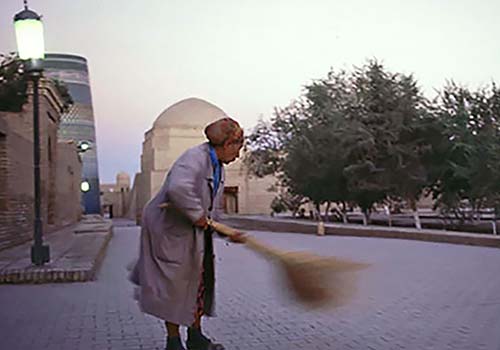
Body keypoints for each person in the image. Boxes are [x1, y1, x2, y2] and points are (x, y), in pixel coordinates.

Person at [130, 117, 246, 350]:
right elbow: (178, 188)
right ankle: (173, 342)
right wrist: (197, 215)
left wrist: (224, 231)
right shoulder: (194, 158)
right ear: (226, 144)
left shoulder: (217, 166)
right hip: (169, 232)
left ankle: (195, 336)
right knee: (173, 286)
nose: (238, 155)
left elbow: (212, 206)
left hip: (192, 233)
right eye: (238, 147)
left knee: (198, 282)